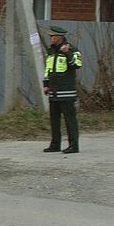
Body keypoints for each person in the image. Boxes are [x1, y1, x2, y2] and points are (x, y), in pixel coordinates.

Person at [43, 25, 82, 154]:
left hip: (66, 91)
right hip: (53, 91)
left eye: (52, 36)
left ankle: (73, 145)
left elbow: (77, 65)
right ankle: (55, 144)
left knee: (70, 120)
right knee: (54, 120)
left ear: (59, 37)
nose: (50, 38)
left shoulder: (71, 49)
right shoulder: (51, 51)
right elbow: (48, 69)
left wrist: (67, 53)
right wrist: (46, 84)